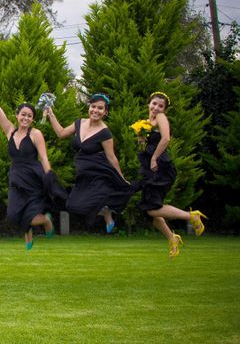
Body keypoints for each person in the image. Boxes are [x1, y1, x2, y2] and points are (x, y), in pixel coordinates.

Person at [0, 80, 67, 250]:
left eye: (29, 116)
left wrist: (49, 176)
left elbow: (43, 158)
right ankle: (30, 231)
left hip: (33, 178)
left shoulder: (36, 134)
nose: (26, 118)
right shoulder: (9, 131)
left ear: (33, 119)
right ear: (17, 115)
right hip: (16, 178)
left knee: (32, 213)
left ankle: (44, 220)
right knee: (13, 214)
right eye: (23, 114)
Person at [44, 93, 134, 231]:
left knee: (93, 202)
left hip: (98, 173)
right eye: (93, 106)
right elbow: (61, 133)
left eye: (100, 108)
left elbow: (111, 157)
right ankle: (104, 211)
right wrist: (51, 114)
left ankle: (106, 212)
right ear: (89, 107)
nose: (95, 110)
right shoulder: (79, 123)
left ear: (105, 112)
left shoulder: (105, 133)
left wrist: (121, 177)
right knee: (71, 206)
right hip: (82, 173)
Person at [136, 91, 206, 257]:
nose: (156, 107)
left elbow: (166, 139)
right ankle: (172, 238)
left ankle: (192, 216)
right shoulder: (146, 123)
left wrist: (153, 158)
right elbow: (143, 148)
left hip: (161, 168)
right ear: (148, 104)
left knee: (152, 209)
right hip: (150, 169)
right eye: (154, 104)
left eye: (161, 106)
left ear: (164, 109)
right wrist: (141, 138)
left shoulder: (161, 118)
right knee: (148, 211)